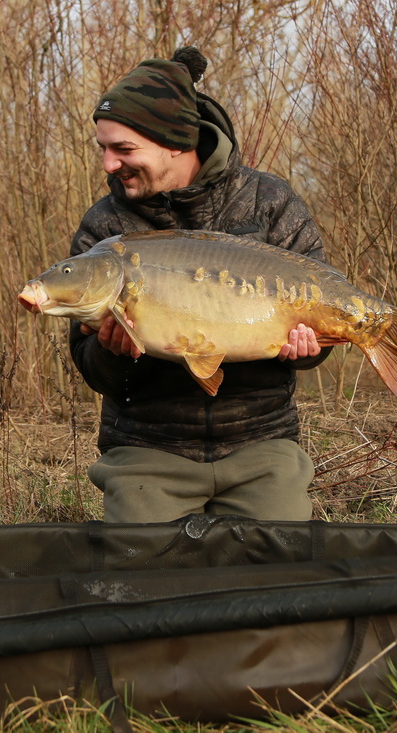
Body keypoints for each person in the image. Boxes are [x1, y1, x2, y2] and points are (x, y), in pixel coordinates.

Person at [70, 47, 331, 524]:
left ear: (175, 142)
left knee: (277, 573)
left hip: (261, 441)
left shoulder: (269, 202)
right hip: (147, 447)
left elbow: (318, 339)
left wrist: (310, 348)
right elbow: (90, 370)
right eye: (103, 149)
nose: (108, 164)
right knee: (146, 577)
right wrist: (112, 351)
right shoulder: (105, 229)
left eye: (123, 150)